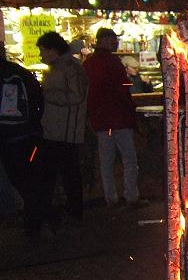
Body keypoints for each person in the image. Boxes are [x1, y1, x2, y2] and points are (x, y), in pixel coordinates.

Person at [83, 28, 147, 208]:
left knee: (106, 162)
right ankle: (131, 196)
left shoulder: (89, 64)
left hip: (101, 120)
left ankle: (110, 198)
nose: (115, 42)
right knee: (129, 159)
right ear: (101, 41)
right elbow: (123, 88)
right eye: (111, 39)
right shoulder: (113, 62)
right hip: (118, 118)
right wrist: (131, 111)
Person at [37, 31, 88, 228]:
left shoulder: (70, 68)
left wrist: (48, 95)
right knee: (60, 174)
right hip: (54, 129)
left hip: (65, 132)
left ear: (52, 50)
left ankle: (74, 212)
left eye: (43, 51)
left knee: (68, 174)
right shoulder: (57, 68)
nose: (41, 56)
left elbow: (76, 96)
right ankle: (60, 211)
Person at [0, 41, 44, 238]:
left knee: (17, 179)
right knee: (28, 179)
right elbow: (38, 99)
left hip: (6, 137)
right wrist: (34, 124)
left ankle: (30, 219)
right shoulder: (21, 72)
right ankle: (35, 221)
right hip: (26, 135)